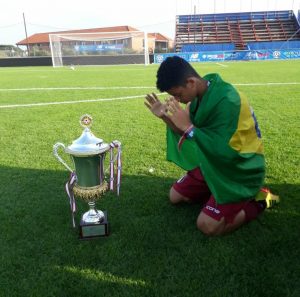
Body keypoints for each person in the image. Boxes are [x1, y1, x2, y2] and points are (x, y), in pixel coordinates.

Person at [145, 56, 279, 236]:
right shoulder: (198, 96)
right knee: (175, 196)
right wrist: (163, 116)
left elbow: (226, 150)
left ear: (191, 82)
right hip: (213, 163)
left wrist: (189, 127)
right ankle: (214, 191)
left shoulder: (228, 100)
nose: (177, 99)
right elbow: (185, 132)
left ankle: (262, 199)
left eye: (178, 94)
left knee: (207, 226)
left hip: (238, 168)